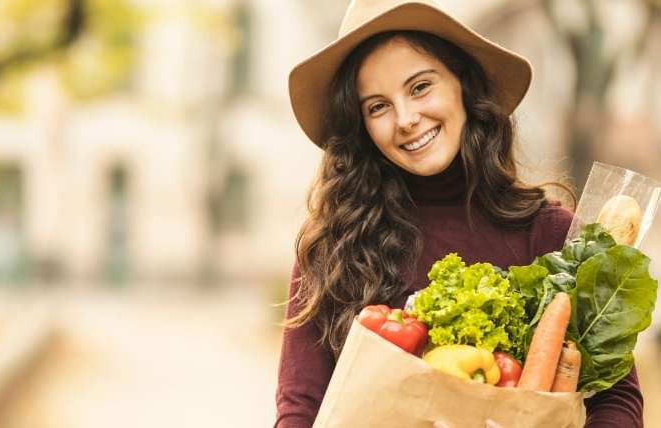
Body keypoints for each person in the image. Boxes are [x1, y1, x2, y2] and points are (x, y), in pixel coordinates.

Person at [275, 1, 643, 427]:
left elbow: (616, 402)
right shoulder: (333, 250)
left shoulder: (552, 238)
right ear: (361, 125)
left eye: (420, 87)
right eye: (378, 106)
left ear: (463, 85)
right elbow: (299, 409)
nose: (407, 119)